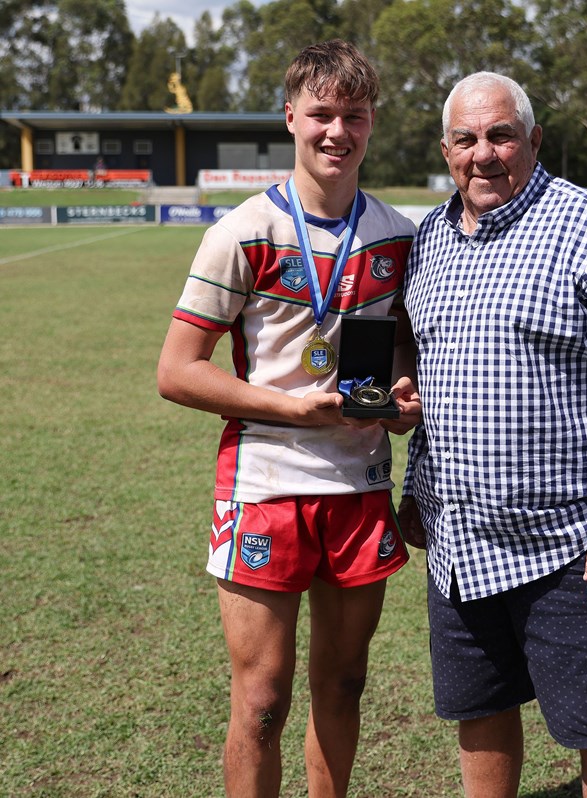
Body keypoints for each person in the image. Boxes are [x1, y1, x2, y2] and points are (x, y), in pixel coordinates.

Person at [398, 72, 587, 798]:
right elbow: (434, 383)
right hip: (460, 549)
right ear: (446, 148)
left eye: (501, 135)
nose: (484, 154)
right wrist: (418, 490)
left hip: (574, 550)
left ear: (534, 140)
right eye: (466, 139)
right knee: (481, 717)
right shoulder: (429, 238)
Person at [157, 40, 420, 798]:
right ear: (290, 119)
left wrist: (402, 397)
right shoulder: (240, 233)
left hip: (360, 486)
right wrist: (293, 409)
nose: (338, 131)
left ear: (372, 124)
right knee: (263, 703)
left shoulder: (399, 235)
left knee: (343, 687)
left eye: (355, 116)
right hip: (264, 487)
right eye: (322, 115)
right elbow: (176, 371)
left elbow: (401, 345)